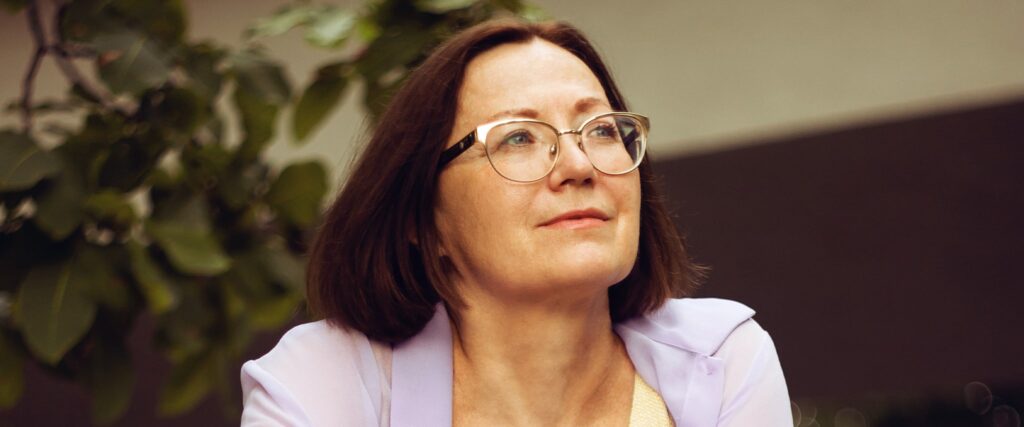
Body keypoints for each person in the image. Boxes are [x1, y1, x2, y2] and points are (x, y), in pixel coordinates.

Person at [240, 19, 791, 426]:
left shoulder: (722, 360)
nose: (579, 166)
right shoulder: (321, 384)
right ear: (422, 219)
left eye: (601, 130)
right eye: (519, 138)